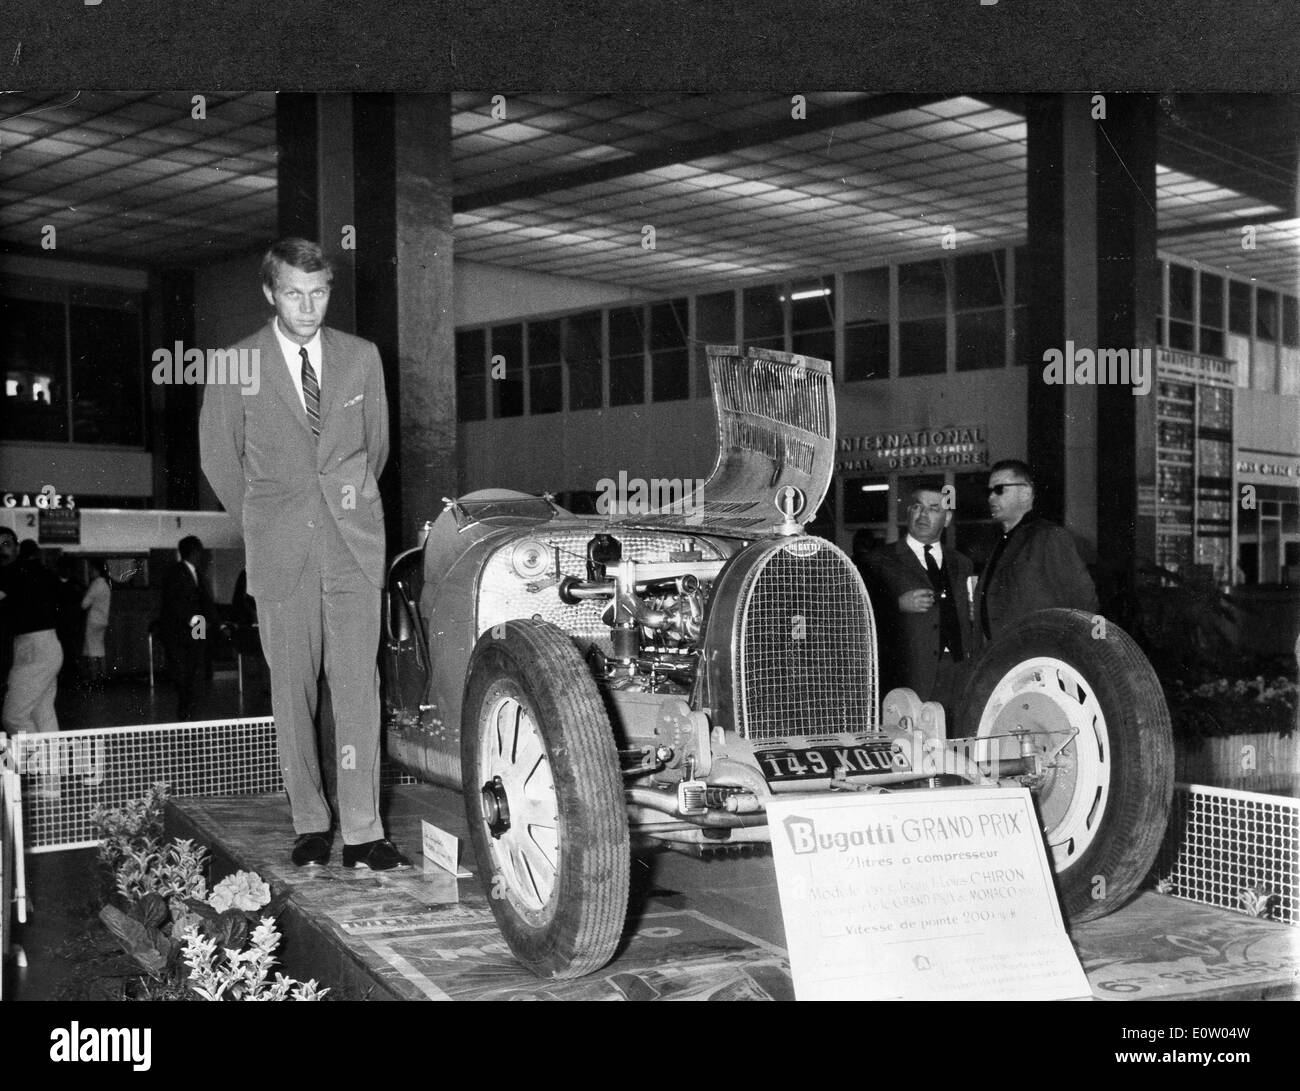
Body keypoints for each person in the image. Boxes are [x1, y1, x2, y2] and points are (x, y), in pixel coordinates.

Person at [199, 237, 409, 871]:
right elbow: (219, 460)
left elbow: (375, 450)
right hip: (281, 551)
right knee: (292, 693)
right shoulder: (237, 364)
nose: (308, 305)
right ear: (270, 293)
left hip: (352, 549)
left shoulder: (362, 358)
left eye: (319, 293)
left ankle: (365, 831)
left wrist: (340, 507)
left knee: (359, 691)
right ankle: (311, 822)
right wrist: (267, 520)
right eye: (294, 293)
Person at [865, 486, 974, 713]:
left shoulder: (962, 563)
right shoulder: (878, 561)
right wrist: (897, 605)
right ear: (908, 512)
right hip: (908, 676)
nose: (923, 515)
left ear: (947, 519)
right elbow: (856, 613)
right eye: (917, 507)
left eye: (934, 509)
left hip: (956, 673)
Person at [975, 459, 1099, 646]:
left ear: (1026, 493)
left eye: (999, 490)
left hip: (1040, 655)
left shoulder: (1049, 537)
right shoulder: (1001, 542)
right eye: (989, 491)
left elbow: (1084, 602)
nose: (991, 498)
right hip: (1004, 656)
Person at [0, 534, 63, 735]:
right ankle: (51, 766)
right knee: (41, 713)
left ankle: (33, 764)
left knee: (14, 717)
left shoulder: (10, 573)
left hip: (34, 648)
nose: (1, 550)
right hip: (47, 646)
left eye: (6, 544)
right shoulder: (29, 571)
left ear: (17, 548)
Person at [159, 535, 212, 721]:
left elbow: (204, 605)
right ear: (193, 552)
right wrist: (197, 625)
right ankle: (185, 718)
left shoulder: (196, 574)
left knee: (194, 676)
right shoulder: (176, 573)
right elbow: (176, 605)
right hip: (180, 636)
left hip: (193, 634)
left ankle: (190, 716)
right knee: (185, 678)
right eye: (199, 552)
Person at [80, 558, 111, 686]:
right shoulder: (106, 585)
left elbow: (84, 604)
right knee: (100, 649)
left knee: (92, 650)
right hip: (103, 620)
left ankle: (94, 678)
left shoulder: (95, 584)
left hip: (93, 620)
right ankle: (103, 677)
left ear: (97, 571)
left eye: (92, 569)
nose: (91, 572)